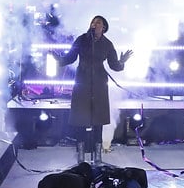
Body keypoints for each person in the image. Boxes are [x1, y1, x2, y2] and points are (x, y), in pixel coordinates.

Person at [55, 15, 132, 163]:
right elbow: (70, 57)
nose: (94, 24)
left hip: (99, 84)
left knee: (98, 120)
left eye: (98, 23)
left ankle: (97, 157)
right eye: (93, 22)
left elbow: (114, 65)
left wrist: (122, 62)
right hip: (82, 82)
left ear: (104, 28)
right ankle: (81, 157)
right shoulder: (82, 39)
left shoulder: (107, 44)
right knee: (80, 120)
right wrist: (59, 60)